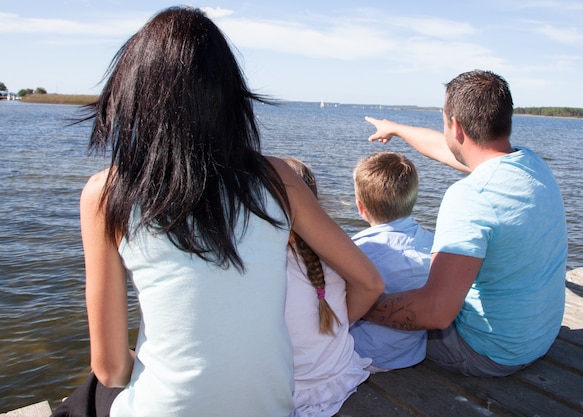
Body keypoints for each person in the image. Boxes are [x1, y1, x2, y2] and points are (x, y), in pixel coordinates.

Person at [51, 7, 384, 417]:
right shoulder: (277, 178)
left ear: (134, 92)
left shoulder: (105, 193)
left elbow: (110, 368)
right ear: (229, 97)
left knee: (88, 394)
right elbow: (369, 280)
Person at [363, 69, 567, 377]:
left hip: (488, 353)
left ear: (455, 125)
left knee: (384, 317)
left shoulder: (471, 196)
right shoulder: (530, 163)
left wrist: (360, 306)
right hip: (536, 339)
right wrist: (396, 129)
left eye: (444, 119)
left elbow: (436, 311)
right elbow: (448, 149)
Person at [282, 157, 372, 417]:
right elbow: (369, 287)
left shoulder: (271, 265)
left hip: (294, 392)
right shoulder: (336, 256)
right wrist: (339, 319)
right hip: (340, 378)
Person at [349, 151, 434, 373]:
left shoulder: (356, 251)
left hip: (361, 356)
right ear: (413, 198)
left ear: (361, 207)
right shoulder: (434, 244)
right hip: (410, 355)